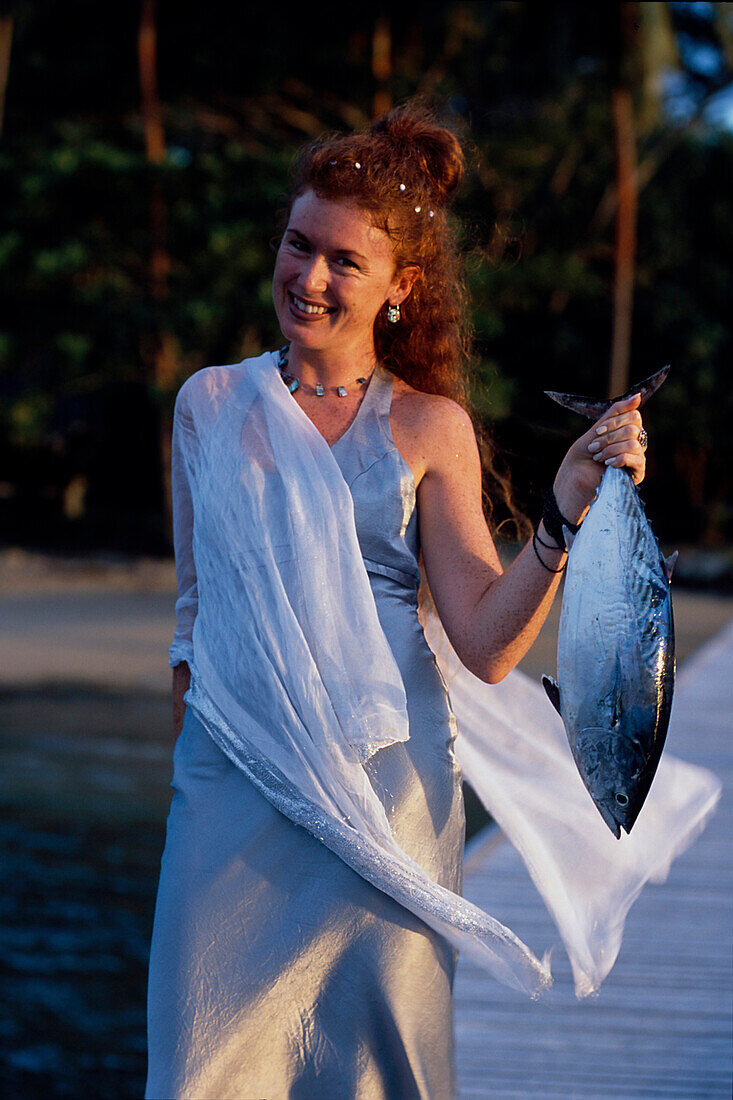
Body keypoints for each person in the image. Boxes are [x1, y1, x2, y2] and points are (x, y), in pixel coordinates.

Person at [144, 106, 706, 1100]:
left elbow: (486, 643)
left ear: (399, 288)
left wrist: (563, 515)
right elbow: (195, 613)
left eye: (343, 262)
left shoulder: (429, 426)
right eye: (297, 244)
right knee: (201, 1069)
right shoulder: (209, 405)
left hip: (391, 789)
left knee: (377, 1069)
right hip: (230, 789)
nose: (308, 277)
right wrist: (198, 760)